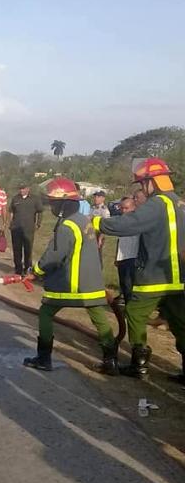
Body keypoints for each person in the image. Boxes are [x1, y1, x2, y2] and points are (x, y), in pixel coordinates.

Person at [93, 158, 185, 382]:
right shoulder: (179, 203)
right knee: (180, 322)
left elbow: (130, 224)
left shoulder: (157, 203)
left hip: (155, 276)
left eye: (143, 184)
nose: (143, 189)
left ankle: (139, 364)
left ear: (151, 182)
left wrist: (97, 224)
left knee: (134, 313)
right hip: (179, 277)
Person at [24, 178, 117, 374]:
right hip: (92, 284)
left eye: (54, 202)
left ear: (64, 202)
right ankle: (111, 361)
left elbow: (54, 256)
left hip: (71, 284)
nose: (52, 206)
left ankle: (43, 358)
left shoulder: (67, 225)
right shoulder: (84, 220)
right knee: (99, 318)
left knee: (46, 313)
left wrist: (36, 272)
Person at [8, 182, 43, 275]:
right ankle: (18, 269)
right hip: (16, 228)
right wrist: (10, 223)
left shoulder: (35, 199)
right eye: (20, 188)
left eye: (23, 188)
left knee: (28, 249)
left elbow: (40, 211)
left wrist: (38, 224)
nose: (21, 190)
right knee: (17, 249)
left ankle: (28, 268)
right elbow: (11, 212)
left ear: (28, 188)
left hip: (28, 229)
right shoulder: (15, 198)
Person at [114, 196, 139, 306]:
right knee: (123, 284)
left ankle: (131, 308)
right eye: (122, 208)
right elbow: (120, 241)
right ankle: (127, 305)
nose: (124, 211)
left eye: (126, 208)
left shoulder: (138, 222)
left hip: (132, 257)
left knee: (130, 285)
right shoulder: (121, 222)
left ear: (134, 207)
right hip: (122, 257)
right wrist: (116, 257)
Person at [91, 190, 111, 255]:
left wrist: (100, 238)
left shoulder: (104, 210)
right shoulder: (92, 207)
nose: (96, 198)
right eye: (95, 196)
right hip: (91, 234)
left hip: (98, 234)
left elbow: (106, 226)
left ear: (103, 198)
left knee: (97, 255)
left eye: (98, 196)